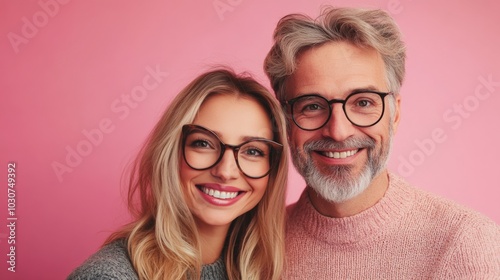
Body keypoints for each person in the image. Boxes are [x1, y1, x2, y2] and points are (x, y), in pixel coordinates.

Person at [264, 6, 500, 279]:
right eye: (312, 106)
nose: (338, 132)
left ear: (395, 113)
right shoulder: (255, 245)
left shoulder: (465, 243)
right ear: (285, 121)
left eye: (363, 102)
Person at [68, 68, 288, 280]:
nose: (225, 171)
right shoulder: (107, 276)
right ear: (170, 154)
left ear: (273, 170)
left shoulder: (258, 270)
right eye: (203, 143)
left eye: (253, 151)